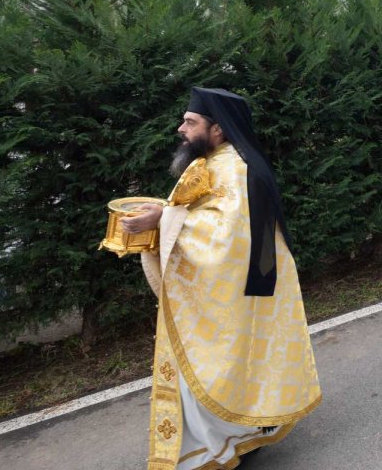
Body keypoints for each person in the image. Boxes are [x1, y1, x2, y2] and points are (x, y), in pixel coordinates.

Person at [120, 88, 321, 469]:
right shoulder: (221, 161)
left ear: (219, 130)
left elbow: (224, 234)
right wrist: (164, 211)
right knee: (237, 361)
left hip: (240, 286)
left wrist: (162, 220)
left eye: (191, 122)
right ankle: (240, 433)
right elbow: (204, 217)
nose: (181, 128)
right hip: (240, 285)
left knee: (219, 362)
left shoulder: (236, 169)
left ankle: (213, 447)